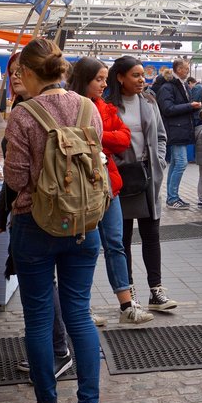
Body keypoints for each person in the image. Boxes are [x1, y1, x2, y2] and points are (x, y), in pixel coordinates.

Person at [3, 38, 102, 403]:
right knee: (80, 313)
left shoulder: (23, 115)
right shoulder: (88, 107)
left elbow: (14, 178)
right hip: (83, 223)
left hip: (35, 225)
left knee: (39, 317)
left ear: (27, 72)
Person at [0, 53, 76, 377]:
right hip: (70, 213)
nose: (14, 77)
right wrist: (1, 215)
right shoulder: (28, 109)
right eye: (10, 72)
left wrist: (5, 213)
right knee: (59, 296)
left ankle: (55, 358)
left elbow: (15, 179)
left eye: (19, 72)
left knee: (39, 296)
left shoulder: (27, 114)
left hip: (37, 215)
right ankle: (69, 371)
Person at [67, 57, 155, 326]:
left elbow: (124, 138)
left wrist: (93, 135)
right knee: (83, 248)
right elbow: (70, 139)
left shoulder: (104, 107)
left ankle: (126, 304)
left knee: (115, 244)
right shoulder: (71, 106)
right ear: (84, 80)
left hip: (108, 184)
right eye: (99, 79)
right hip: (79, 187)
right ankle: (83, 308)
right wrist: (101, 135)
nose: (104, 85)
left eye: (105, 79)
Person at [106, 56, 178, 312]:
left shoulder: (149, 101)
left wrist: (158, 162)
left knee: (151, 235)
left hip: (148, 178)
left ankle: (156, 291)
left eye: (142, 75)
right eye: (135, 75)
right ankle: (130, 293)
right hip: (120, 178)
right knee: (122, 238)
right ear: (120, 77)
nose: (141, 80)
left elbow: (160, 135)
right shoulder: (107, 105)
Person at [157, 59, 200, 210]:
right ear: (178, 69)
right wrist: (190, 106)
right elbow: (167, 108)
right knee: (181, 163)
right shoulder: (168, 87)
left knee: (176, 163)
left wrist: (193, 107)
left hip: (179, 129)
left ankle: (172, 196)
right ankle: (172, 198)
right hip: (175, 130)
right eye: (186, 68)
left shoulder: (180, 84)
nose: (188, 71)